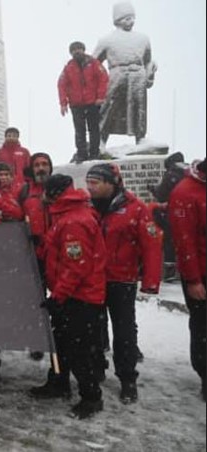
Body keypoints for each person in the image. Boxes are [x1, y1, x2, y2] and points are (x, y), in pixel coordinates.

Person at [30, 175, 107, 420]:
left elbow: (77, 266)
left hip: (81, 297)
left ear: (54, 193)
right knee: (61, 343)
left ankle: (91, 396)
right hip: (71, 294)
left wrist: (58, 297)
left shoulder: (74, 221)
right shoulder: (65, 215)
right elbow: (56, 250)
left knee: (79, 349)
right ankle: (59, 382)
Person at [85, 163, 161, 403]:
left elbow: (151, 245)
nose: (90, 187)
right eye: (89, 182)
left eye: (95, 182)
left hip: (122, 280)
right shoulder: (87, 207)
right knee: (94, 328)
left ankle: (128, 378)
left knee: (124, 331)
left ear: (111, 183)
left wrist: (150, 280)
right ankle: (97, 368)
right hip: (94, 279)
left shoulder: (135, 208)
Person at [167, 159, 206, 400]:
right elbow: (184, 240)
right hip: (201, 272)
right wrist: (193, 279)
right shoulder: (185, 192)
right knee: (203, 326)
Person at [93, 2, 157, 146]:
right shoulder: (107, 40)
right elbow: (94, 62)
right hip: (117, 75)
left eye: (132, 17)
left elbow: (147, 61)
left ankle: (140, 137)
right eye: (126, 18)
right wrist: (100, 80)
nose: (130, 21)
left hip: (137, 76)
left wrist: (150, 72)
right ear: (117, 19)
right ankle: (101, 139)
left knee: (139, 108)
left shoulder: (143, 39)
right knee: (109, 107)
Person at [57, 41, 109, 162]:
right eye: (74, 50)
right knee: (79, 130)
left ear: (83, 50)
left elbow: (104, 78)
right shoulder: (68, 68)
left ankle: (94, 153)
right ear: (71, 53)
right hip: (76, 104)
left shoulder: (94, 63)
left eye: (79, 49)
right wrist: (63, 103)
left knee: (94, 129)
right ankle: (81, 153)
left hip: (93, 103)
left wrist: (101, 96)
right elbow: (61, 85)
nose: (76, 52)